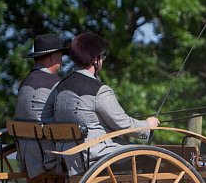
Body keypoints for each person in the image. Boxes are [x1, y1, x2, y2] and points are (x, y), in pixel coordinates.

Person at [50, 32, 159, 174]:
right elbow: (123, 124)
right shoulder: (99, 90)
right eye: (102, 57)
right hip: (97, 158)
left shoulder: (59, 87)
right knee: (152, 159)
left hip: (69, 159)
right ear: (95, 60)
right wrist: (147, 126)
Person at [14, 33, 68, 179]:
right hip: (50, 159)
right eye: (61, 56)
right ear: (52, 57)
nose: (62, 62)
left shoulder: (23, 84)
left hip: (27, 159)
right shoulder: (57, 84)